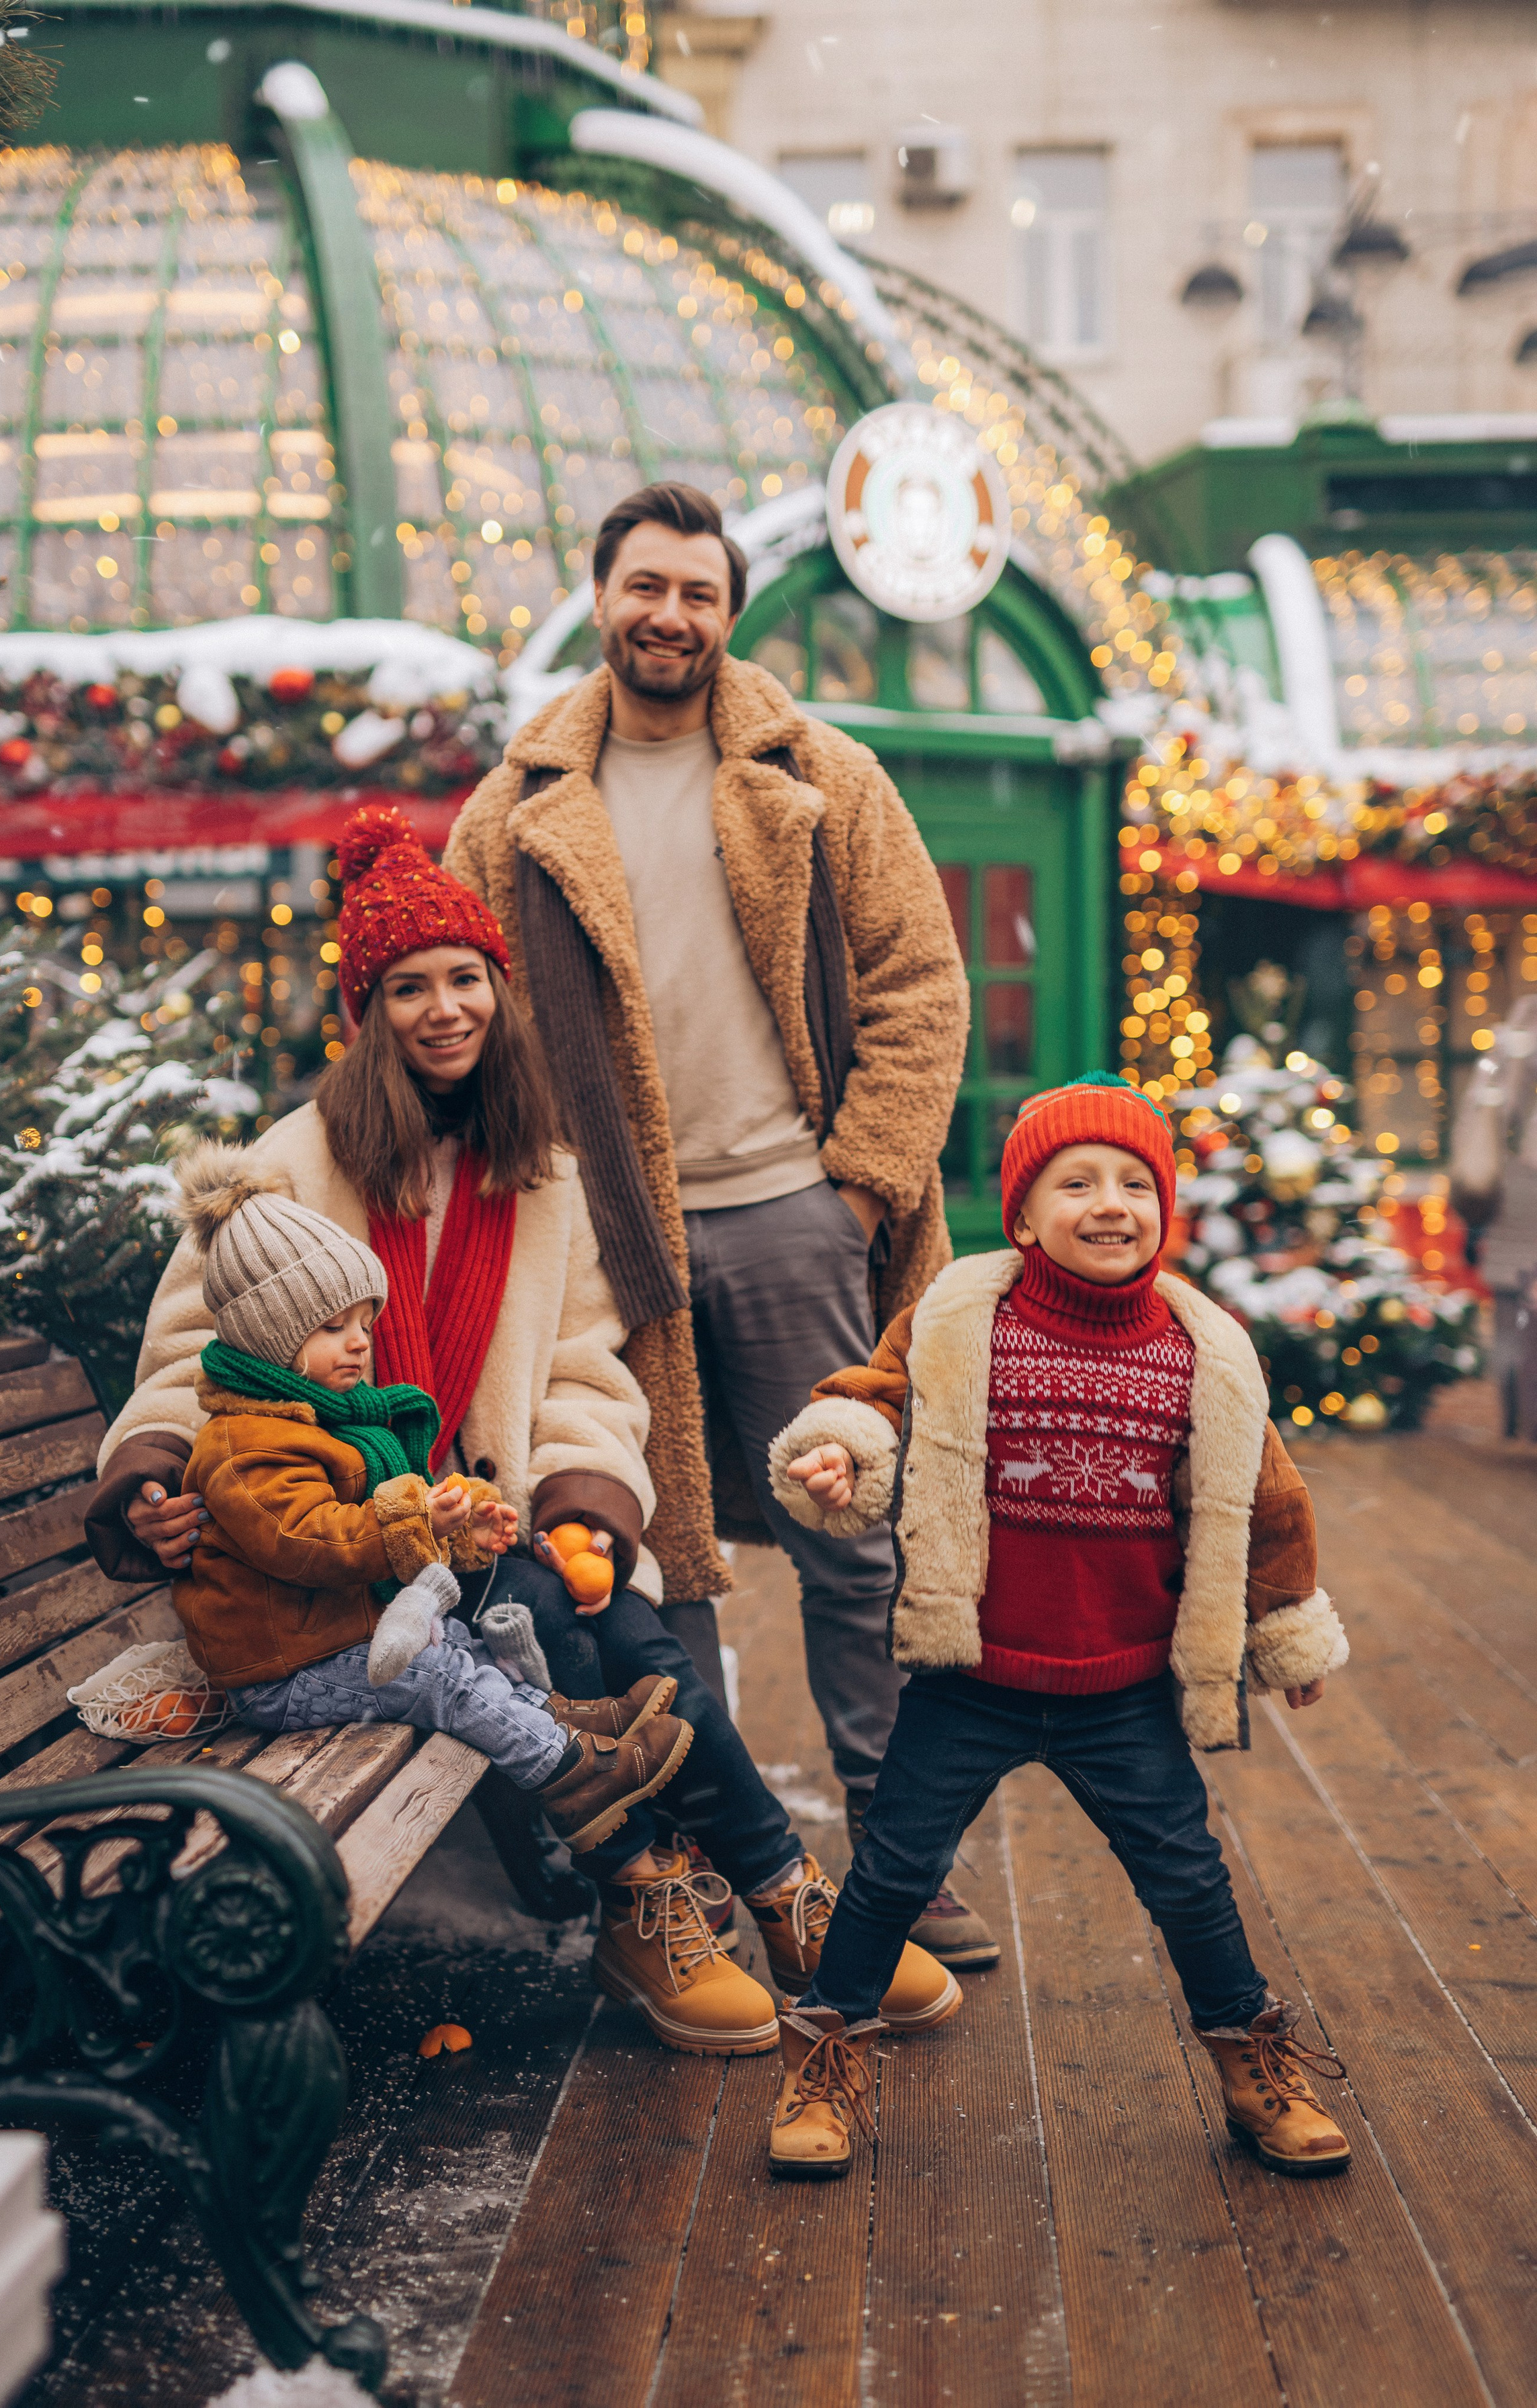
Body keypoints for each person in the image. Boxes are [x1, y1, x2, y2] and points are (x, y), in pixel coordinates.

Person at [86, 802, 955, 2053]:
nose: (445, 1009)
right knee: (542, 1621)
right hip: (344, 1540)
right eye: (409, 987)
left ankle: (769, 1892)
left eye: (466, 979)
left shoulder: (537, 1168)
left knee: (624, 1620)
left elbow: (577, 1367)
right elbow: (185, 1355)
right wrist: (151, 1472)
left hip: (487, 1511)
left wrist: (582, 1498)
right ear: (364, 1011)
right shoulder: (290, 1163)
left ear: (497, 988)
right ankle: (665, 1893)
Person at [446, 479, 992, 1970]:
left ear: (726, 612)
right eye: (643, 587)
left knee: (847, 1536)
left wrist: (860, 1183)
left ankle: (900, 1854)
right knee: (639, 1558)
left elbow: (919, 988)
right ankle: (707, 1861)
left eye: (696, 592)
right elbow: (447, 1012)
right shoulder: (511, 809)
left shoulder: (817, 773)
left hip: (783, 1216)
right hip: (595, 1245)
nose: (667, 615)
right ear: (600, 595)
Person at [762, 1074, 1356, 2180]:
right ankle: (826, 2052)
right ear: (1024, 1215)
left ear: (1165, 1213)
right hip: (972, 1669)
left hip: (1124, 1681)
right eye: (1074, 1181)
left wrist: (1282, 1624)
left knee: (1187, 1875)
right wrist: (842, 1441)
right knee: (893, 1869)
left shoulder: (1205, 1352)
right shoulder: (958, 1318)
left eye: (1136, 1182)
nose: (1110, 1201)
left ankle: (1250, 2058)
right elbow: (879, 1391)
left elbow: (1268, 1499)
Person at [165, 1150, 695, 1857]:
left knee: (462, 1644)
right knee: (436, 1675)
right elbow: (307, 1540)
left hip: (333, 1642)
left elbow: (384, 1499)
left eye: (363, 1320)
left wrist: (458, 1515)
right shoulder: (242, 1445)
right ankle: (571, 1775)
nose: (359, 1341)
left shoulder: (320, 1415)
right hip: (282, 1674)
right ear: (271, 1336)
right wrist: (416, 1522)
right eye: (331, 1327)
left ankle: (560, 1718)